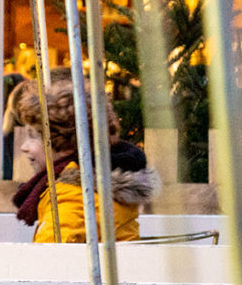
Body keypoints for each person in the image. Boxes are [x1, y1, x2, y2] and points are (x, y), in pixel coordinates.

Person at [11, 74, 159, 243]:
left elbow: (49, 258)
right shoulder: (99, 186)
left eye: (34, 137)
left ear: (64, 141)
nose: (24, 147)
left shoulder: (75, 196)